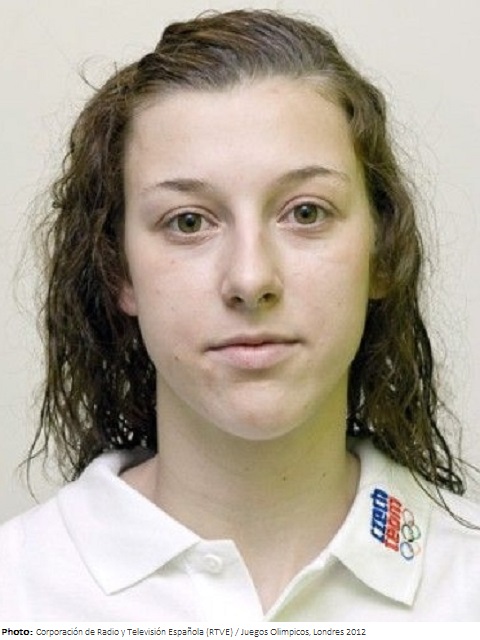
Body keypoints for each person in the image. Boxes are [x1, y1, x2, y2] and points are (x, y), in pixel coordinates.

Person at [0, 8, 479, 622]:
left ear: (382, 253)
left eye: (306, 213)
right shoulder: (18, 589)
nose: (250, 280)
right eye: (188, 222)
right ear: (119, 270)